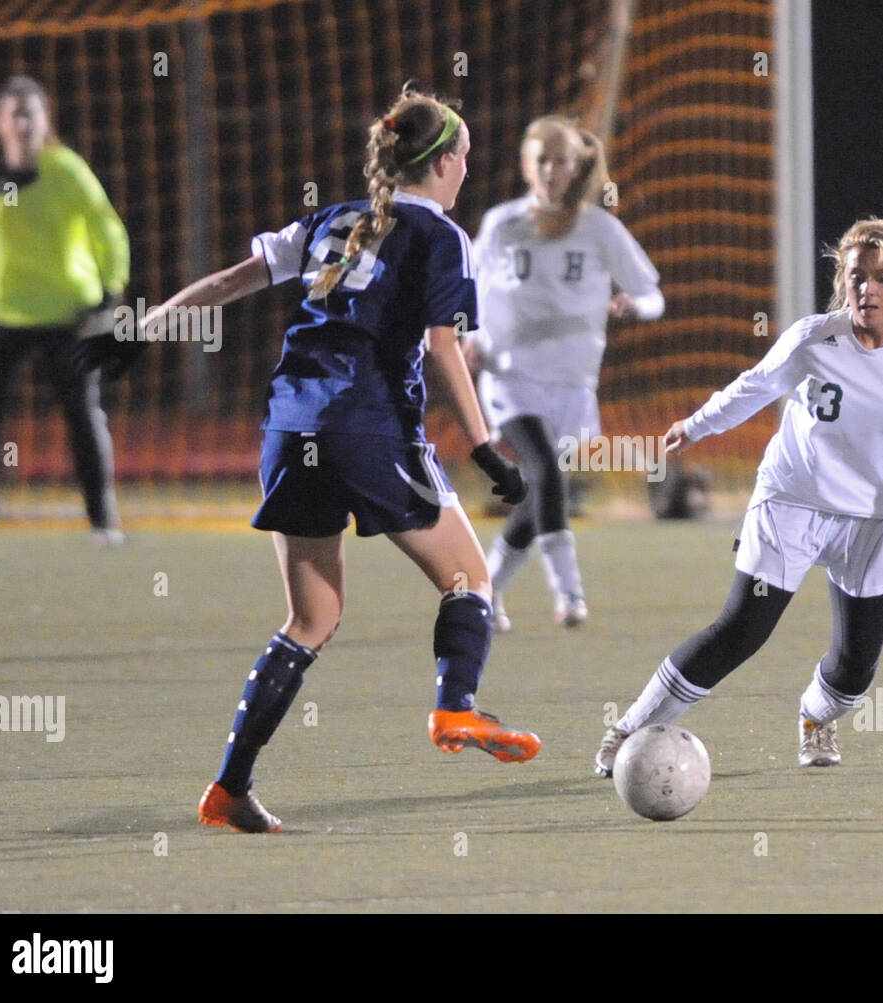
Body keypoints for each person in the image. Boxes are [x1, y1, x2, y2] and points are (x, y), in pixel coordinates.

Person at [81, 84, 540, 833]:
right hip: (369, 427)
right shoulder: (442, 237)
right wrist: (487, 448)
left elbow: (232, 281)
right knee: (468, 578)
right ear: (447, 162)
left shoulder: (332, 218)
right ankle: (456, 708)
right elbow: (443, 347)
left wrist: (142, 329)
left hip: (290, 428)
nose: (468, 169)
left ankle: (229, 788)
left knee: (312, 616)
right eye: (465, 156)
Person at [594, 219, 883, 775]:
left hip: (874, 520)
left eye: (882, 278)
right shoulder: (814, 338)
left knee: (855, 669)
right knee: (742, 629)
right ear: (841, 280)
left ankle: (815, 716)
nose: (867, 289)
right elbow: (756, 385)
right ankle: (628, 731)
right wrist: (699, 424)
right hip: (792, 500)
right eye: (857, 276)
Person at [465, 116, 663, 631]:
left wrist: (632, 306)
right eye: (541, 160)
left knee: (539, 492)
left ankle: (486, 594)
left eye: (561, 161)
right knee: (547, 476)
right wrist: (470, 340)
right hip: (511, 377)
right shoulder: (502, 223)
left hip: (573, 385)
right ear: (526, 165)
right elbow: (472, 292)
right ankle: (570, 596)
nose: (551, 170)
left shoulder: (599, 228)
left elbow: (652, 294)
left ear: (577, 167)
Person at [0, 76, 129, 545]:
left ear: (45, 120)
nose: (22, 121)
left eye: (30, 112)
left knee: (82, 413)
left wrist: (109, 291)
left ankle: (102, 520)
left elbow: (107, 228)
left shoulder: (66, 170)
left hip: (69, 315)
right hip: (8, 318)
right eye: (13, 113)